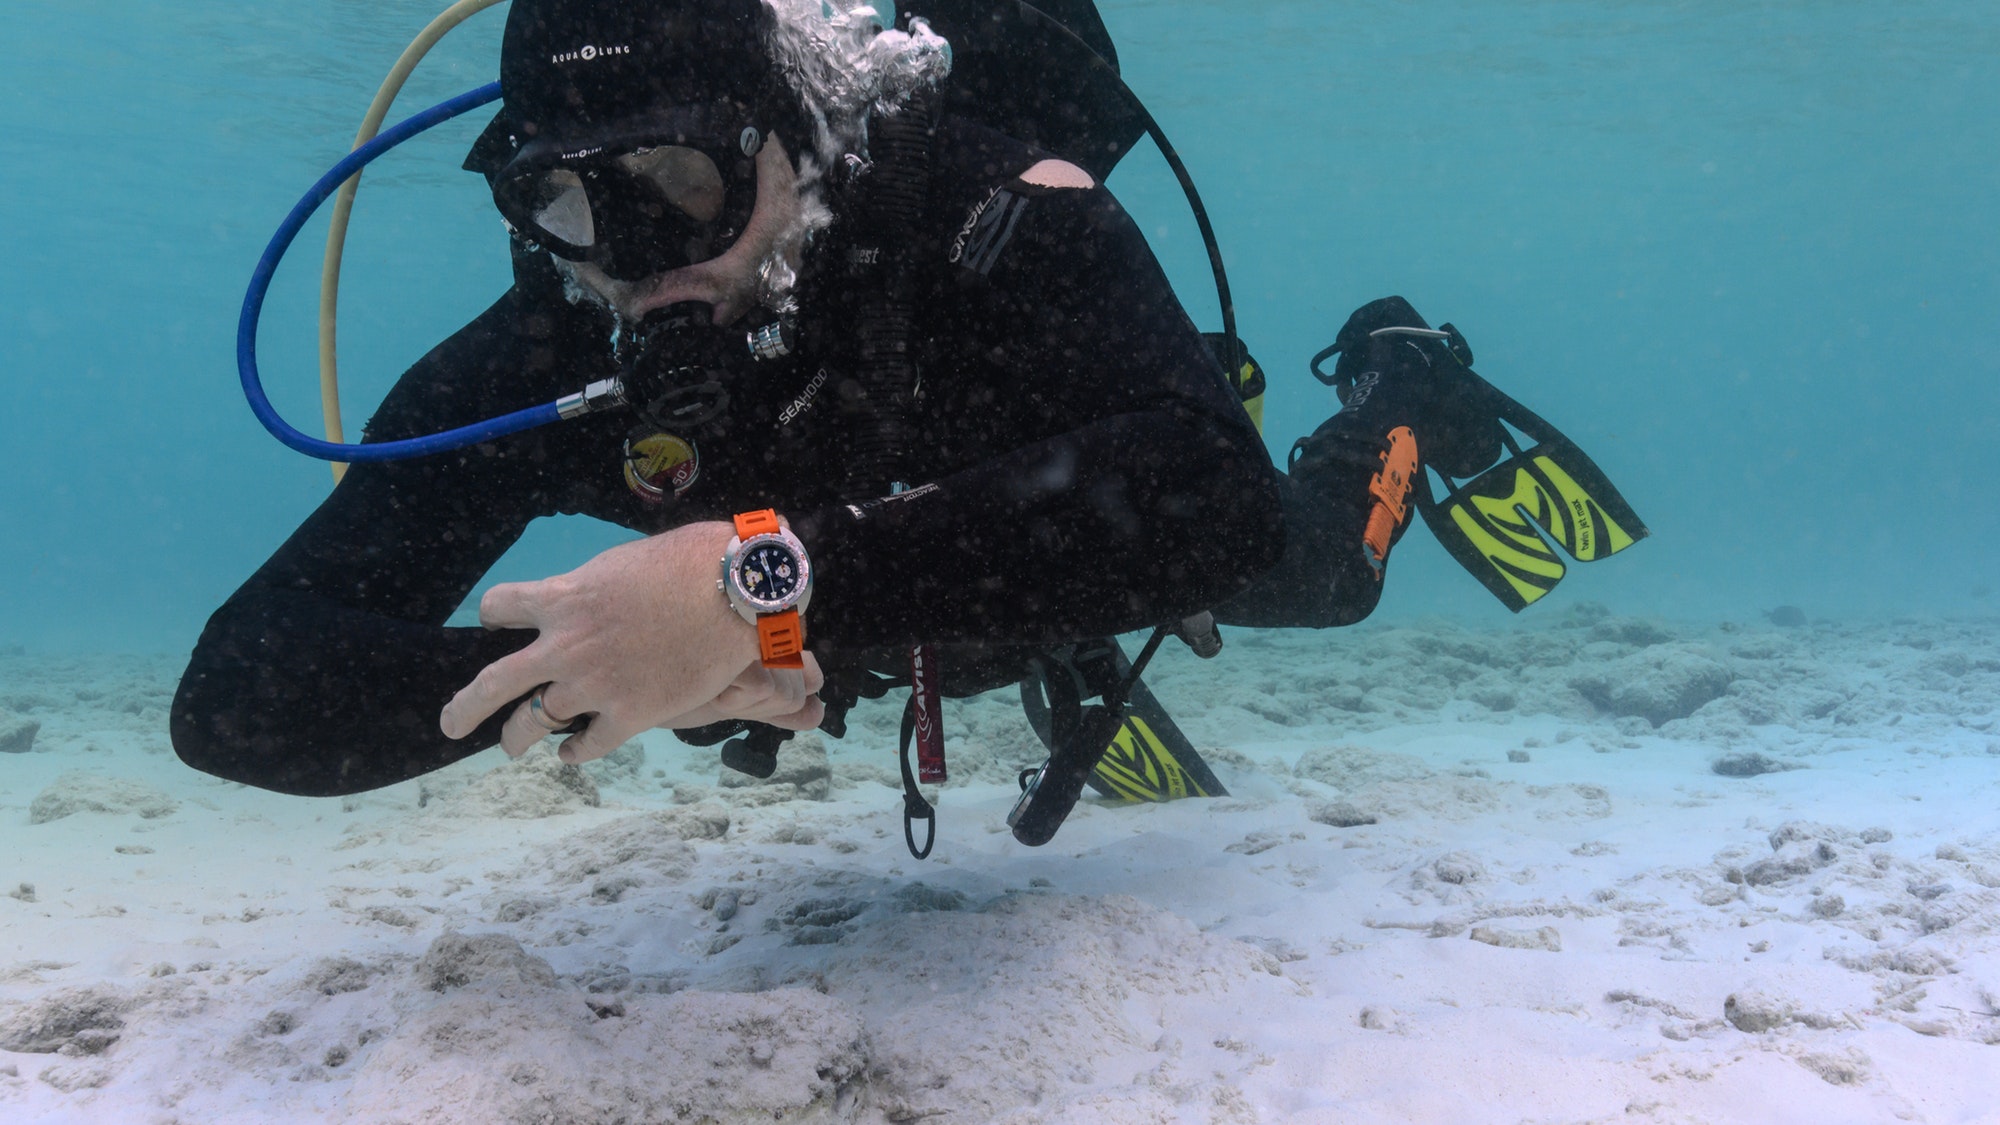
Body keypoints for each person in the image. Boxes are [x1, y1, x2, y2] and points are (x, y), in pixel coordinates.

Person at [170, 0, 1588, 816]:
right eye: (567, 202)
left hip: (1068, 510)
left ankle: (1400, 384)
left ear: (797, 141)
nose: (640, 262)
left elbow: (1207, 500)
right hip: (909, 593)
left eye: (683, 185)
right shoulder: (550, 344)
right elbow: (239, 695)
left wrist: (750, 592)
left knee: (1323, 578)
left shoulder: (987, 212)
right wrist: (614, 663)